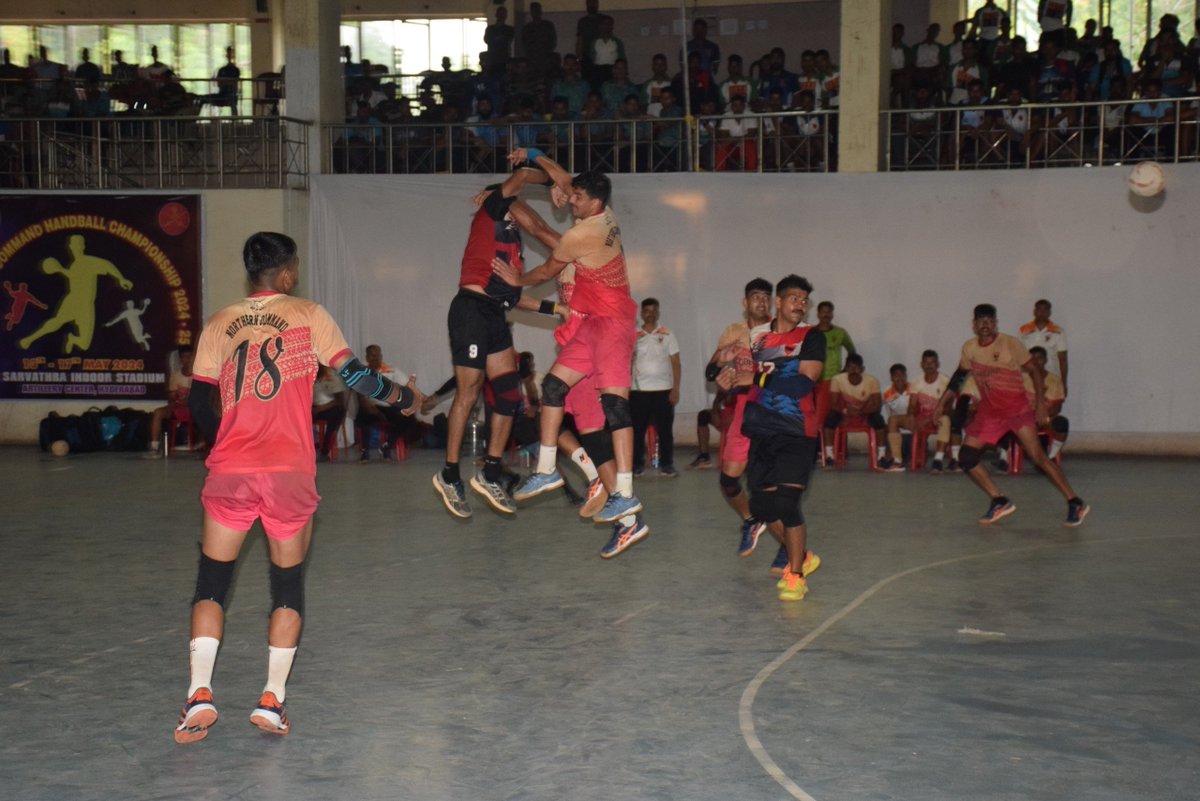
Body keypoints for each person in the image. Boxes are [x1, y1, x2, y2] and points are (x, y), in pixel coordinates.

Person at [172, 232, 422, 744]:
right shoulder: (308, 314)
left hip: (231, 469)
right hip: (288, 470)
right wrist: (403, 398)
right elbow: (354, 376)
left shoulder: (220, 322)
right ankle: (271, 701)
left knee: (211, 582)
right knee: (286, 586)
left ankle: (199, 693)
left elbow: (200, 405)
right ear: (286, 274)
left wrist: (229, 445)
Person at [494, 146, 646, 557]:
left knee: (608, 416)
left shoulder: (579, 240)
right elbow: (563, 186)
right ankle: (559, 473)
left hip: (606, 328)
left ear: (592, 203)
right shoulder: (591, 221)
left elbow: (543, 248)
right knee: (560, 398)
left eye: (578, 198)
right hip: (584, 332)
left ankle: (622, 497)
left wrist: (506, 197)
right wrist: (536, 156)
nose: (568, 199)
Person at [432, 165, 565, 519]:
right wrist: (553, 180)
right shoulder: (494, 208)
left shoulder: (512, 246)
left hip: (495, 314)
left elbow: (516, 297)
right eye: (519, 203)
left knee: (509, 395)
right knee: (470, 390)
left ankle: (490, 471)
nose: (526, 212)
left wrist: (558, 309)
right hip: (471, 309)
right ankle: (448, 474)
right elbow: (522, 175)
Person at [716, 275, 825, 602]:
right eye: (794, 298)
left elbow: (803, 383)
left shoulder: (812, 337)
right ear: (778, 302)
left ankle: (795, 575)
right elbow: (746, 376)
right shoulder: (757, 338)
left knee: (787, 503)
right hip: (762, 429)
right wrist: (731, 378)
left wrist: (759, 376)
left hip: (797, 430)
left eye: (805, 300)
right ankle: (802, 554)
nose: (800, 305)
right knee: (763, 505)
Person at [934, 303, 1088, 527]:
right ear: (974, 325)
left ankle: (1075, 502)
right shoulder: (969, 348)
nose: (985, 325)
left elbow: (1034, 370)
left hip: (1017, 410)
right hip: (990, 413)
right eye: (981, 321)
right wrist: (941, 402)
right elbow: (959, 377)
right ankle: (1000, 500)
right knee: (967, 457)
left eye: (990, 321)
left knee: (1039, 458)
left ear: (996, 323)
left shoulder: (1010, 344)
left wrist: (1040, 405)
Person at [706, 278, 776, 561]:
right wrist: (721, 368)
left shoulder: (780, 331)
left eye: (765, 297)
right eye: (755, 297)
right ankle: (751, 520)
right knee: (729, 481)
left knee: (771, 488)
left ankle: (789, 550)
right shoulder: (734, 332)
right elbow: (711, 371)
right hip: (744, 409)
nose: (761, 302)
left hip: (773, 409)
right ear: (745, 303)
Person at [631, 298, 681, 477]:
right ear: (642, 314)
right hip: (638, 391)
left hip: (663, 390)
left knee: (665, 431)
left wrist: (675, 389)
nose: (650, 314)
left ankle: (667, 465)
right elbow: (625, 361)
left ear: (658, 313)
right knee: (637, 431)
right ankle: (636, 465)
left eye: (654, 310)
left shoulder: (667, 334)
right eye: (647, 311)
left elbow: (676, 362)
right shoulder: (633, 335)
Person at [822, 353, 887, 468]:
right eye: (851, 367)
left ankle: (881, 456)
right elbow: (834, 404)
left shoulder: (872, 381)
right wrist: (846, 411)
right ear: (846, 369)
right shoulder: (837, 380)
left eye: (857, 367)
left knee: (879, 420)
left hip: (865, 413)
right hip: (844, 413)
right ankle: (829, 456)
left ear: (862, 369)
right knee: (829, 420)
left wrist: (861, 412)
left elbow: (877, 406)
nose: (854, 371)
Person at [811, 300, 855, 464]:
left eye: (829, 312)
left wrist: (845, 371)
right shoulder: (811, 332)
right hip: (815, 380)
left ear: (832, 314)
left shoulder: (840, 333)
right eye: (823, 312)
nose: (826, 315)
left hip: (834, 381)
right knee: (816, 418)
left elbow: (852, 350)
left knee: (835, 416)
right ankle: (818, 451)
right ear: (818, 314)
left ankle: (839, 450)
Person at [144, 346, 196, 459]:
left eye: (189, 357)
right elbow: (171, 396)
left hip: (194, 409)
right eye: (184, 357)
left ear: (194, 358)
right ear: (180, 359)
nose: (187, 360)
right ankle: (154, 447)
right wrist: (177, 396)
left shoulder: (199, 375)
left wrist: (189, 399)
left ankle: (207, 445)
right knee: (158, 412)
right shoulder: (176, 375)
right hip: (178, 408)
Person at [1023, 345, 1069, 460]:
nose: (1036, 361)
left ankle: (1052, 457)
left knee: (1062, 423)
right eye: (1033, 358)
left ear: (1046, 360)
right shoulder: (1020, 379)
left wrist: (1042, 416)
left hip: (1047, 419)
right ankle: (1004, 458)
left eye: (1040, 358)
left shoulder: (1055, 380)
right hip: (1024, 419)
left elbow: (1057, 407)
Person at [1018, 298, 1068, 396]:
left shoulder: (1058, 331)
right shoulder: (1023, 330)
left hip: (1051, 376)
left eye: (1045, 310)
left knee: (1051, 406)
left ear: (1049, 312)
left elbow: (1063, 359)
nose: (1042, 312)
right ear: (1034, 311)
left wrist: (1063, 383)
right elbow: (1019, 355)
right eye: (1039, 309)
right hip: (1029, 376)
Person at [312, 364, 347, 462]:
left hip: (332, 407)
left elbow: (339, 400)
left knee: (336, 414)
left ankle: (325, 452)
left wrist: (320, 409)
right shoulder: (310, 375)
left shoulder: (332, 376)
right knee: (299, 416)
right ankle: (303, 450)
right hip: (315, 407)